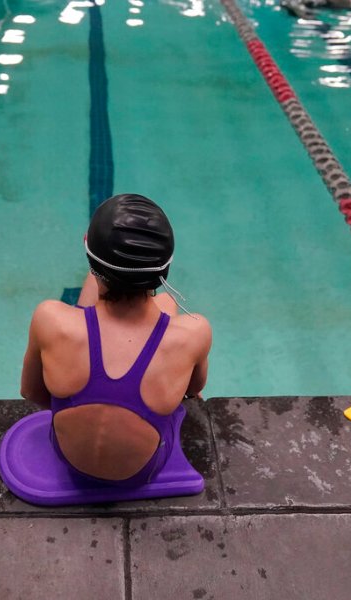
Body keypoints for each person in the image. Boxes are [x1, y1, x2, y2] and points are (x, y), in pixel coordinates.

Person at [20, 193, 212, 484]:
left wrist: (87, 401)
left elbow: (31, 392)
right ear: (164, 269)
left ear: (89, 253)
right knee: (168, 305)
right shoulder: (196, 331)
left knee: (91, 307)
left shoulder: (49, 319)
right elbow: (193, 390)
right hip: (141, 471)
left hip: (69, 458)